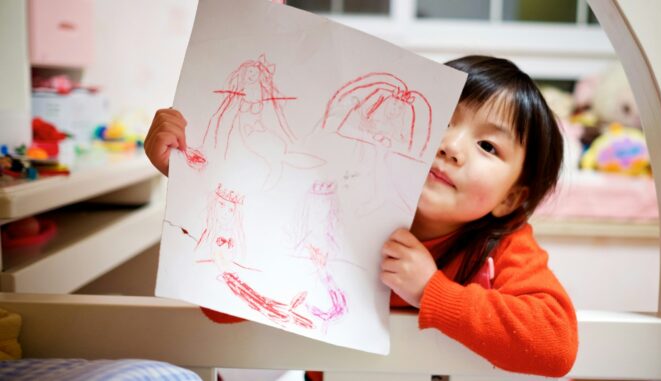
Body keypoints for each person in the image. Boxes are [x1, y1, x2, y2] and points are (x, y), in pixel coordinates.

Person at [145, 55, 578, 378]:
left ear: (511, 199)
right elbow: (222, 311)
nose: (450, 146)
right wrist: (193, 177)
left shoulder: (503, 244)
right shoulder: (336, 207)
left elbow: (556, 346)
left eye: (488, 146)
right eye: (443, 119)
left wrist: (432, 291)